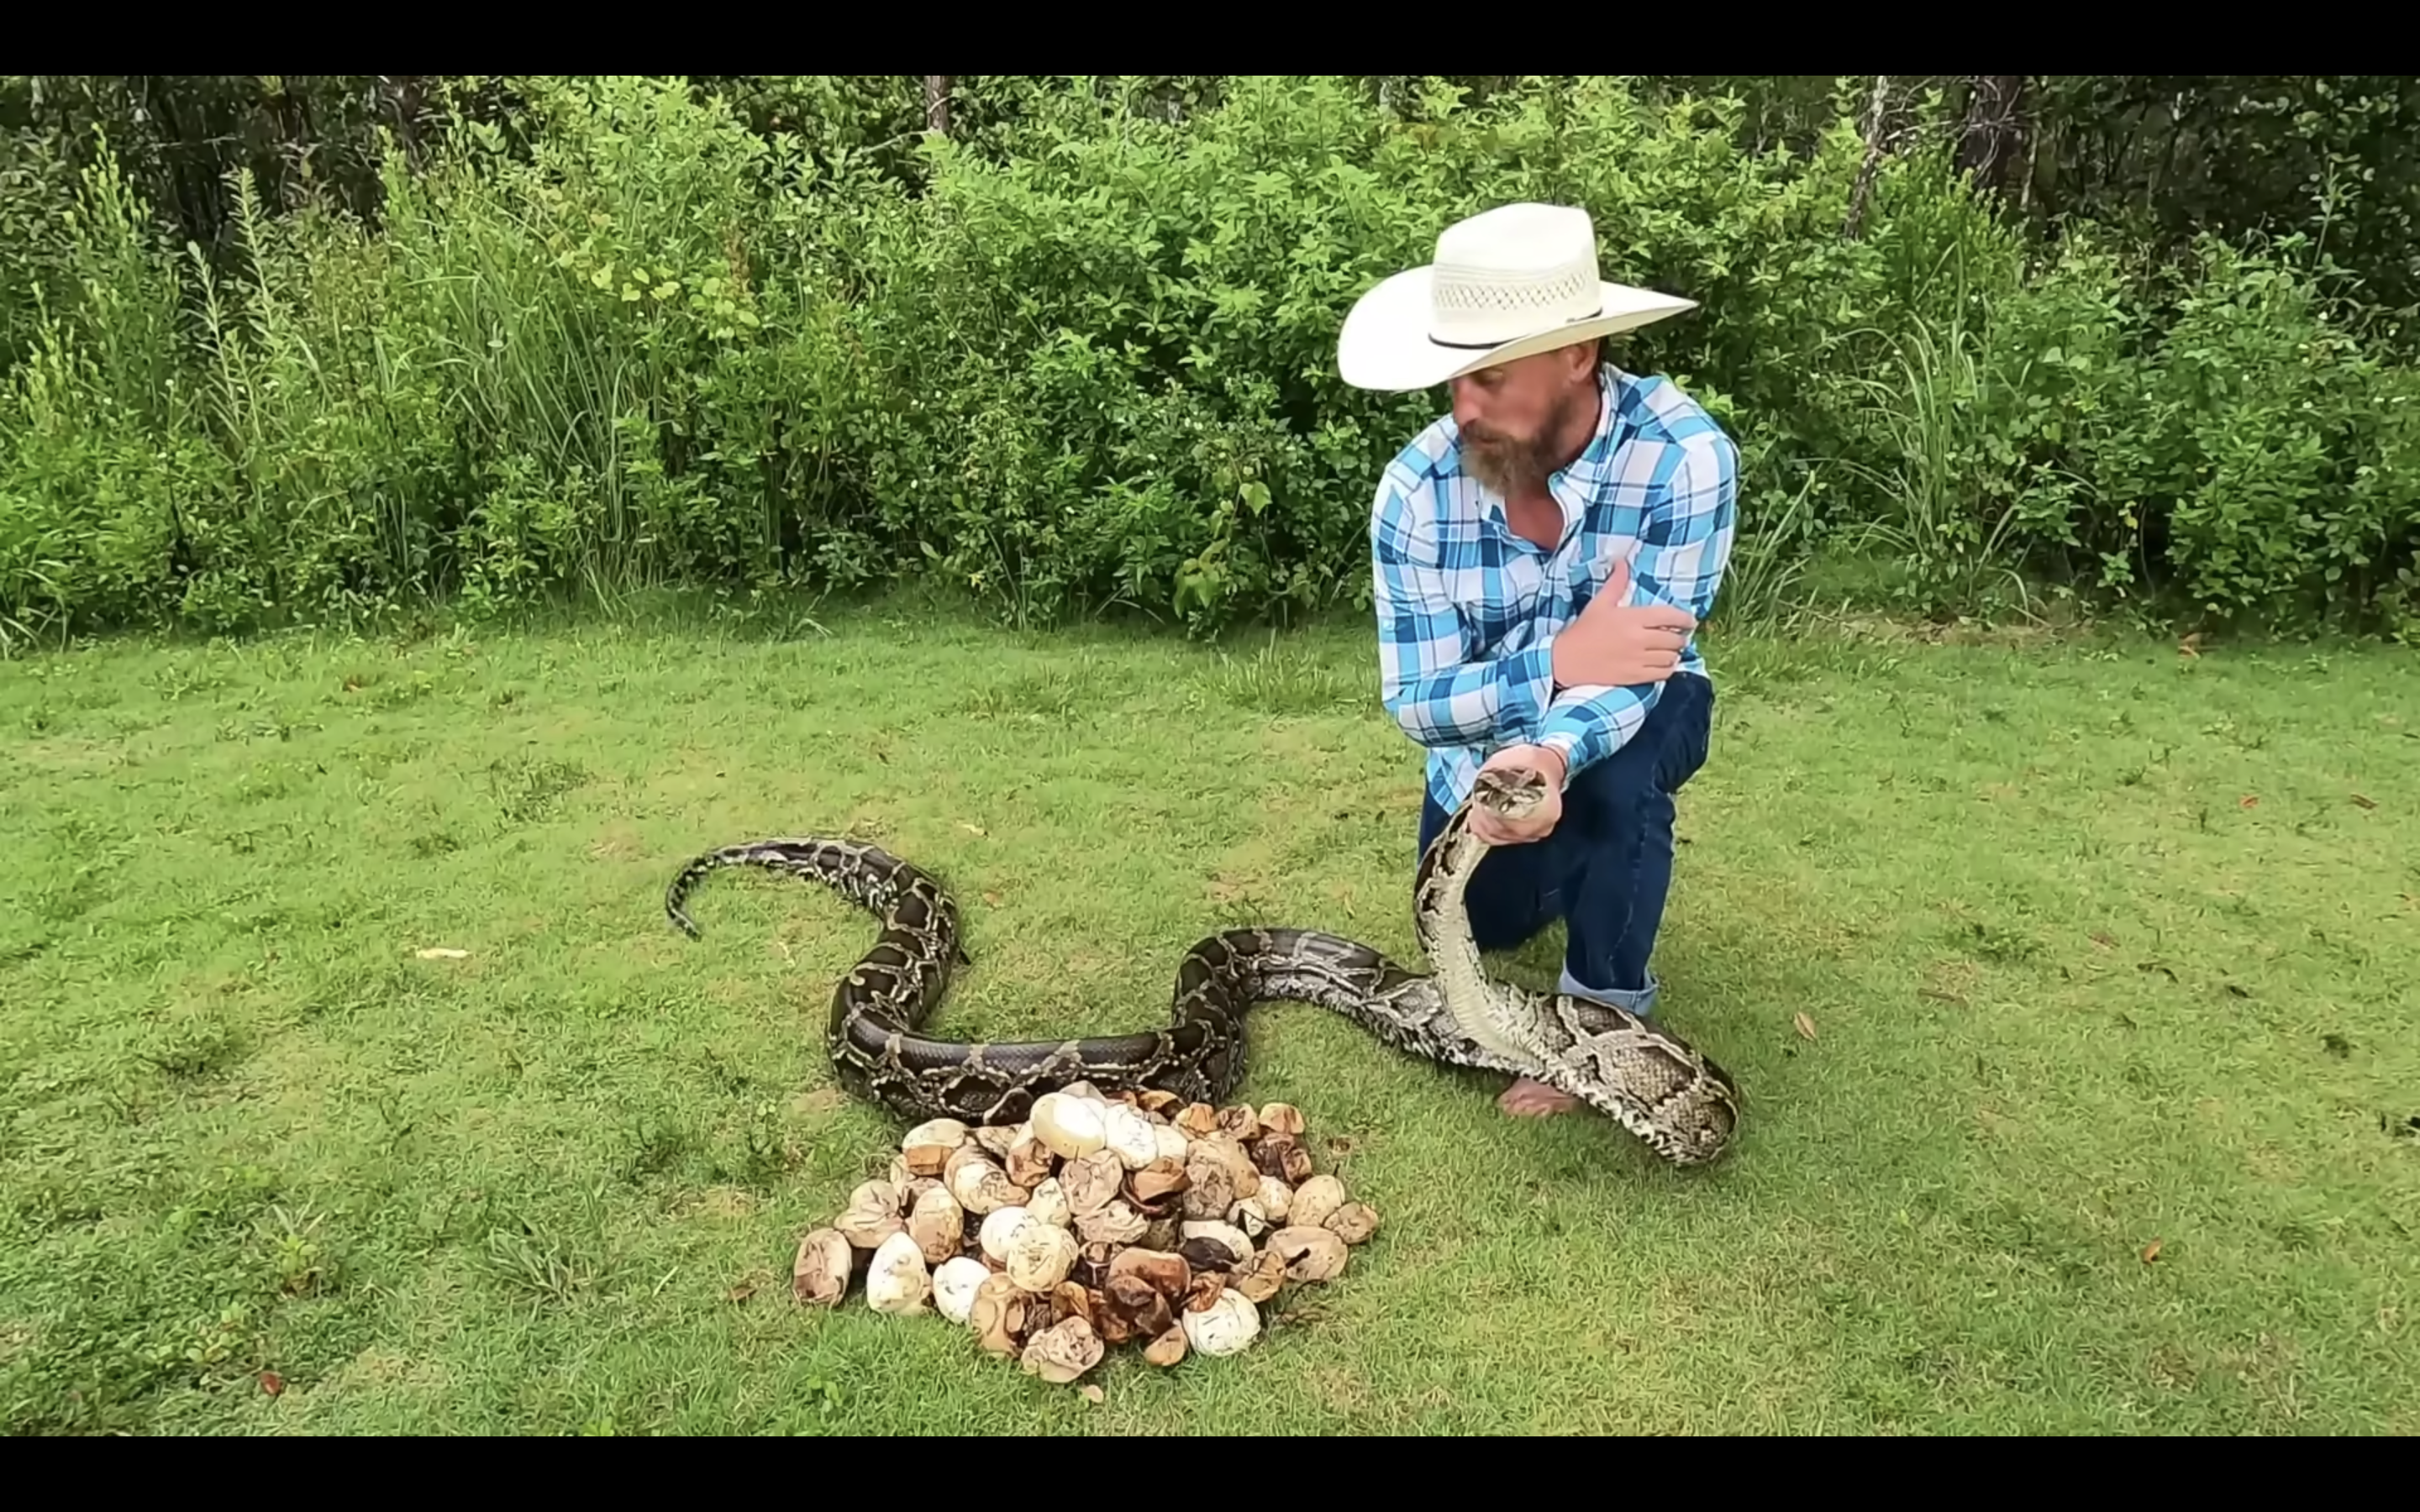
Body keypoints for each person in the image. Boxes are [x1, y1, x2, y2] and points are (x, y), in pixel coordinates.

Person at [1336, 202, 1739, 1118]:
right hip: (1474, 755)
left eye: (1490, 377)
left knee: (1623, 778)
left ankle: (1605, 1013)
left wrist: (1553, 753)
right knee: (1485, 920)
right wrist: (1557, 660)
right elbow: (1416, 704)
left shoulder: (1685, 460)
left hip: (1643, 702)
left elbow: (1634, 672)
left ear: (1578, 357)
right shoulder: (1415, 489)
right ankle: (1577, 857)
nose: (1464, 409)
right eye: (1454, 380)